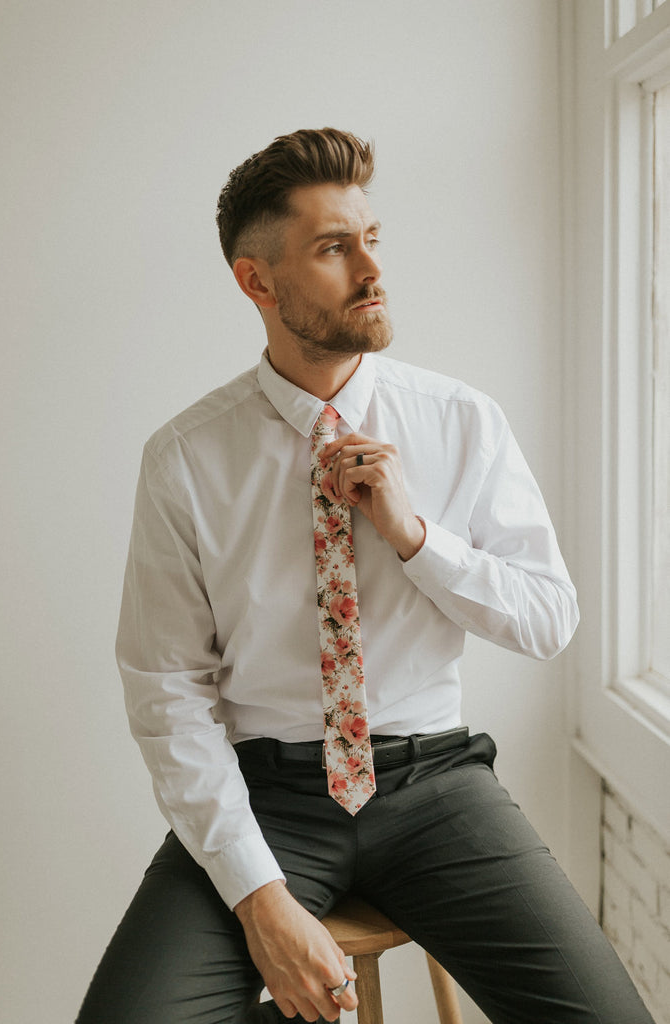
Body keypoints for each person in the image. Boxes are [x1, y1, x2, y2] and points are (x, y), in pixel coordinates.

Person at [77, 128, 653, 1024]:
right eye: (332, 248)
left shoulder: (459, 421)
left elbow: (547, 619)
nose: (370, 269)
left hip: (436, 788)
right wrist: (259, 898)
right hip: (269, 797)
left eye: (371, 239)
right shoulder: (186, 457)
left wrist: (415, 535)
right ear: (255, 281)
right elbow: (166, 689)